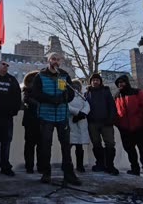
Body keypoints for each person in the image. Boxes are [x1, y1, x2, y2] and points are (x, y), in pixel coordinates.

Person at [31, 52, 81, 186]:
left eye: (58, 60)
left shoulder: (64, 76)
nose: (56, 61)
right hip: (46, 116)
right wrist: (49, 99)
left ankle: (69, 174)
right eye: (53, 59)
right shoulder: (40, 76)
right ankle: (46, 173)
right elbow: (35, 93)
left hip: (62, 115)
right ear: (48, 60)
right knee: (45, 146)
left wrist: (63, 98)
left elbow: (70, 93)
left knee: (66, 146)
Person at [114, 74, 143, 177]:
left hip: (140, 128)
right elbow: (115, 112)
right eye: (118, 83)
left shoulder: (137, 92)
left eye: (122, 82)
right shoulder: (117, 96)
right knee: (130, 151)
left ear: (127, 82)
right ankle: (134, 169)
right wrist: (119, 125)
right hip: (125, 129)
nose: (120, 84)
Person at [85, 73, 119, 175]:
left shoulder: (106, 91)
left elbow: (112, 106)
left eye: (97, 80)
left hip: (106, 122)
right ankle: (100, 163)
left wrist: (111, 119)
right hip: (92, 123)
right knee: (96, 143)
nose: (95, 82)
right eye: (93, 80)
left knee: (110, 143)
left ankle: (110, 165)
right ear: (90, 82)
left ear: (100, 82)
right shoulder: (87, 93)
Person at [21, 70, 42, 174]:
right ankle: (29, 166)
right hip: (30, 121)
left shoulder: (42, 92)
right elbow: (26, 100)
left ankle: (40, 166)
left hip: (41, 121)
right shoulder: (26, 92)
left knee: (41, 145)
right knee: (30, 144)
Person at [68, 79, 90, 173]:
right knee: (68, 145)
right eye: (74, 86)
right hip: (71, 122)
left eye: (77, 86)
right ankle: (67, 164)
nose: (75, 88)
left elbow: (87, 106)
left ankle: (80, 165)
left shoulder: (82, 97)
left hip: (81, 122)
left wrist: (82, 114)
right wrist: (76, 112)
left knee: (79, 146)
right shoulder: (68, 96)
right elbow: (66, 106)